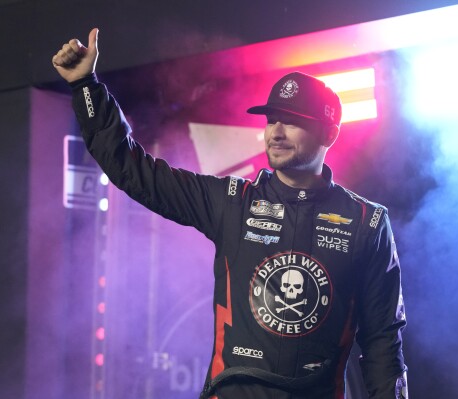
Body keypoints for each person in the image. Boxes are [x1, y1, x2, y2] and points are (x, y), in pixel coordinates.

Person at [52, 28, 408, 399]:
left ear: (329, 134)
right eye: (271, 120)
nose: (276, 132)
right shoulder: (232, 201)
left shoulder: (367, 222)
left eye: (292, 120)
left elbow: (383, 342)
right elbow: (132, 168)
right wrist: (86, 88)